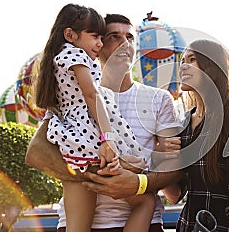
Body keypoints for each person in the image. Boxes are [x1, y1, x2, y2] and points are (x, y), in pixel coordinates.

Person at [84, 39, 229, 232]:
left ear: (211, 66)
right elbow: (175, 194)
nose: (183, 66)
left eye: (192, 59)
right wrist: (159, 156)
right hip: (191, 226)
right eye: (182, 61)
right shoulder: (185, 123)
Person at [27, 13, 182, 231]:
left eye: (130, 38)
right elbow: (36, 153)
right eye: (114, 36)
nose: (124, 43)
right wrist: (96, 174)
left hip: (145, 223)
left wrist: (142, 176)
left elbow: (175, 190)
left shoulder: (159, 99)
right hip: (81, 221)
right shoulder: (70, 96)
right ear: (97, 44)